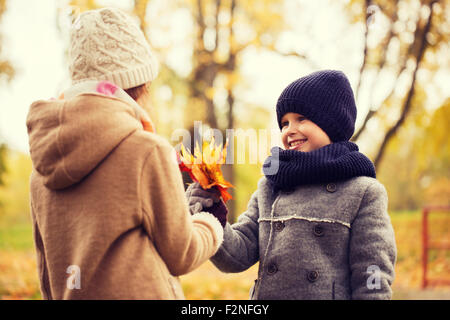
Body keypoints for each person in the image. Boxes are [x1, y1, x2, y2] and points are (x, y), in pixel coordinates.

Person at [26, 7, 223, 300]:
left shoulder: (40, 173)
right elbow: (182, 254)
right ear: (141, 87)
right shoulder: (146, 152)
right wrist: (210, 220)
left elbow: (47, 277)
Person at [186, 70, 397, 300]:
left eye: (301, 119)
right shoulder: (270, 187)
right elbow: (238, 254)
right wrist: (211, 213)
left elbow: (373, 273)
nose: (289, 130)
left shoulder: (363, 192)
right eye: (284, 123)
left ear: (332, 124)